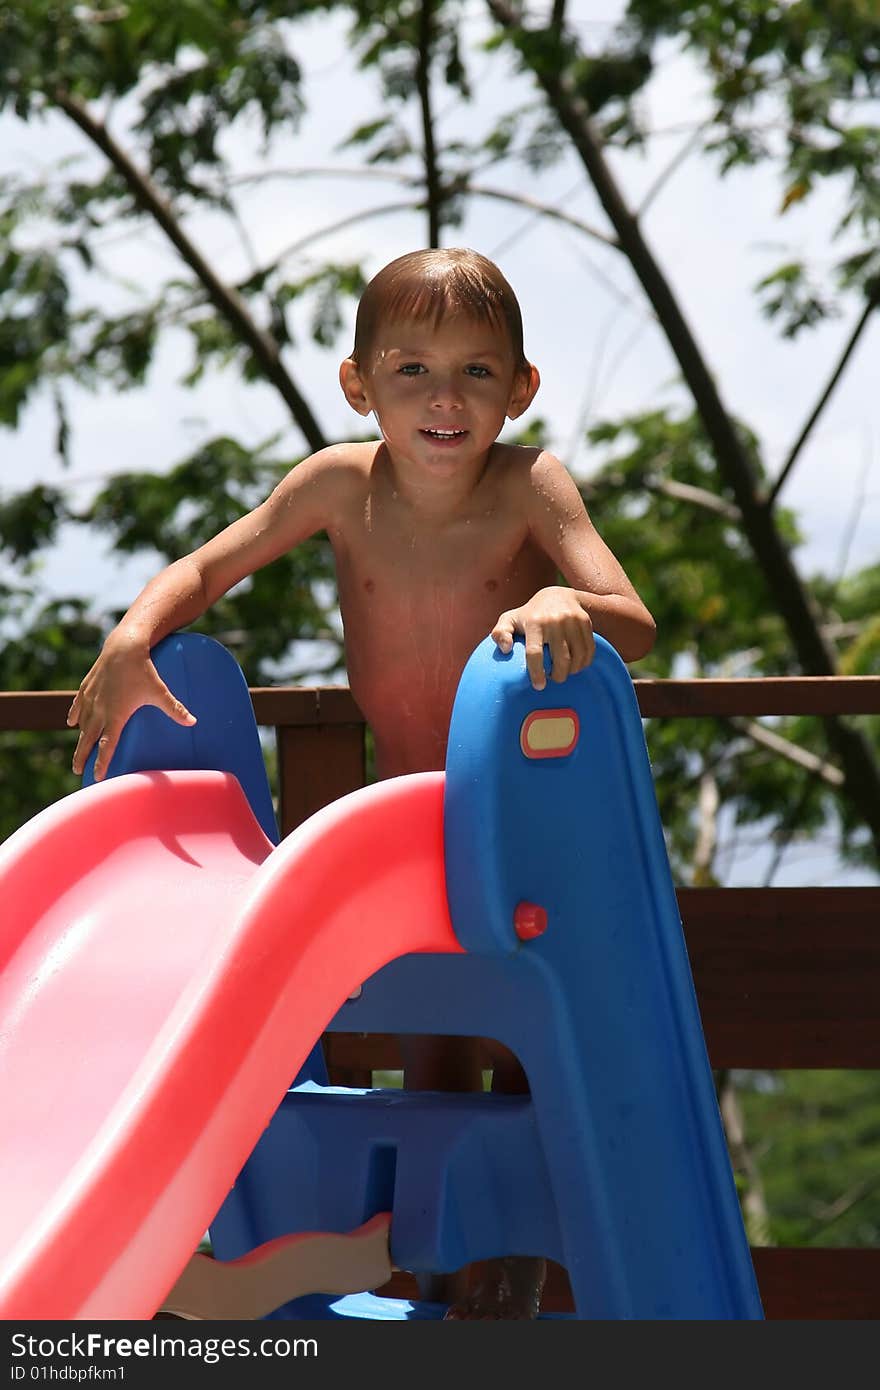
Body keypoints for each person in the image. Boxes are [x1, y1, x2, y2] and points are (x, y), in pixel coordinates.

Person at [68, 247, 656, 1318]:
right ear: (358, 384)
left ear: (519, 389)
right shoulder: (340, 483)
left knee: (535, 1054)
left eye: (478, 372)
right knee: (431, 1055)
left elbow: (631, 616)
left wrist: (572, 609)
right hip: (407, 827)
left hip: (530, 825)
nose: (445, 398)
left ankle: (515, 1264)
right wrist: (135, 630)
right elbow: (212, 563)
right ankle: (434, 1275)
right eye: (412, 370)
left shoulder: (531, 485)